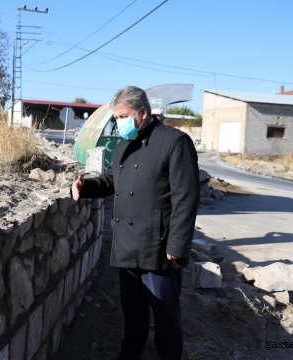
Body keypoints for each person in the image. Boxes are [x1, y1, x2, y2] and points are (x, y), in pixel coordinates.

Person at [71, 86, 199, 360]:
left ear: (142, 112)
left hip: (160, 250)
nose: (119, 123)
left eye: (123, 116)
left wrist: (177, 244)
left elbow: (186, 197)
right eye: (116, 117)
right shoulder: (121, 146)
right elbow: (111, 181)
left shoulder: (175, 142)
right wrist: (86, 187)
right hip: (127, 248)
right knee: (133, 317)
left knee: (166, 319)